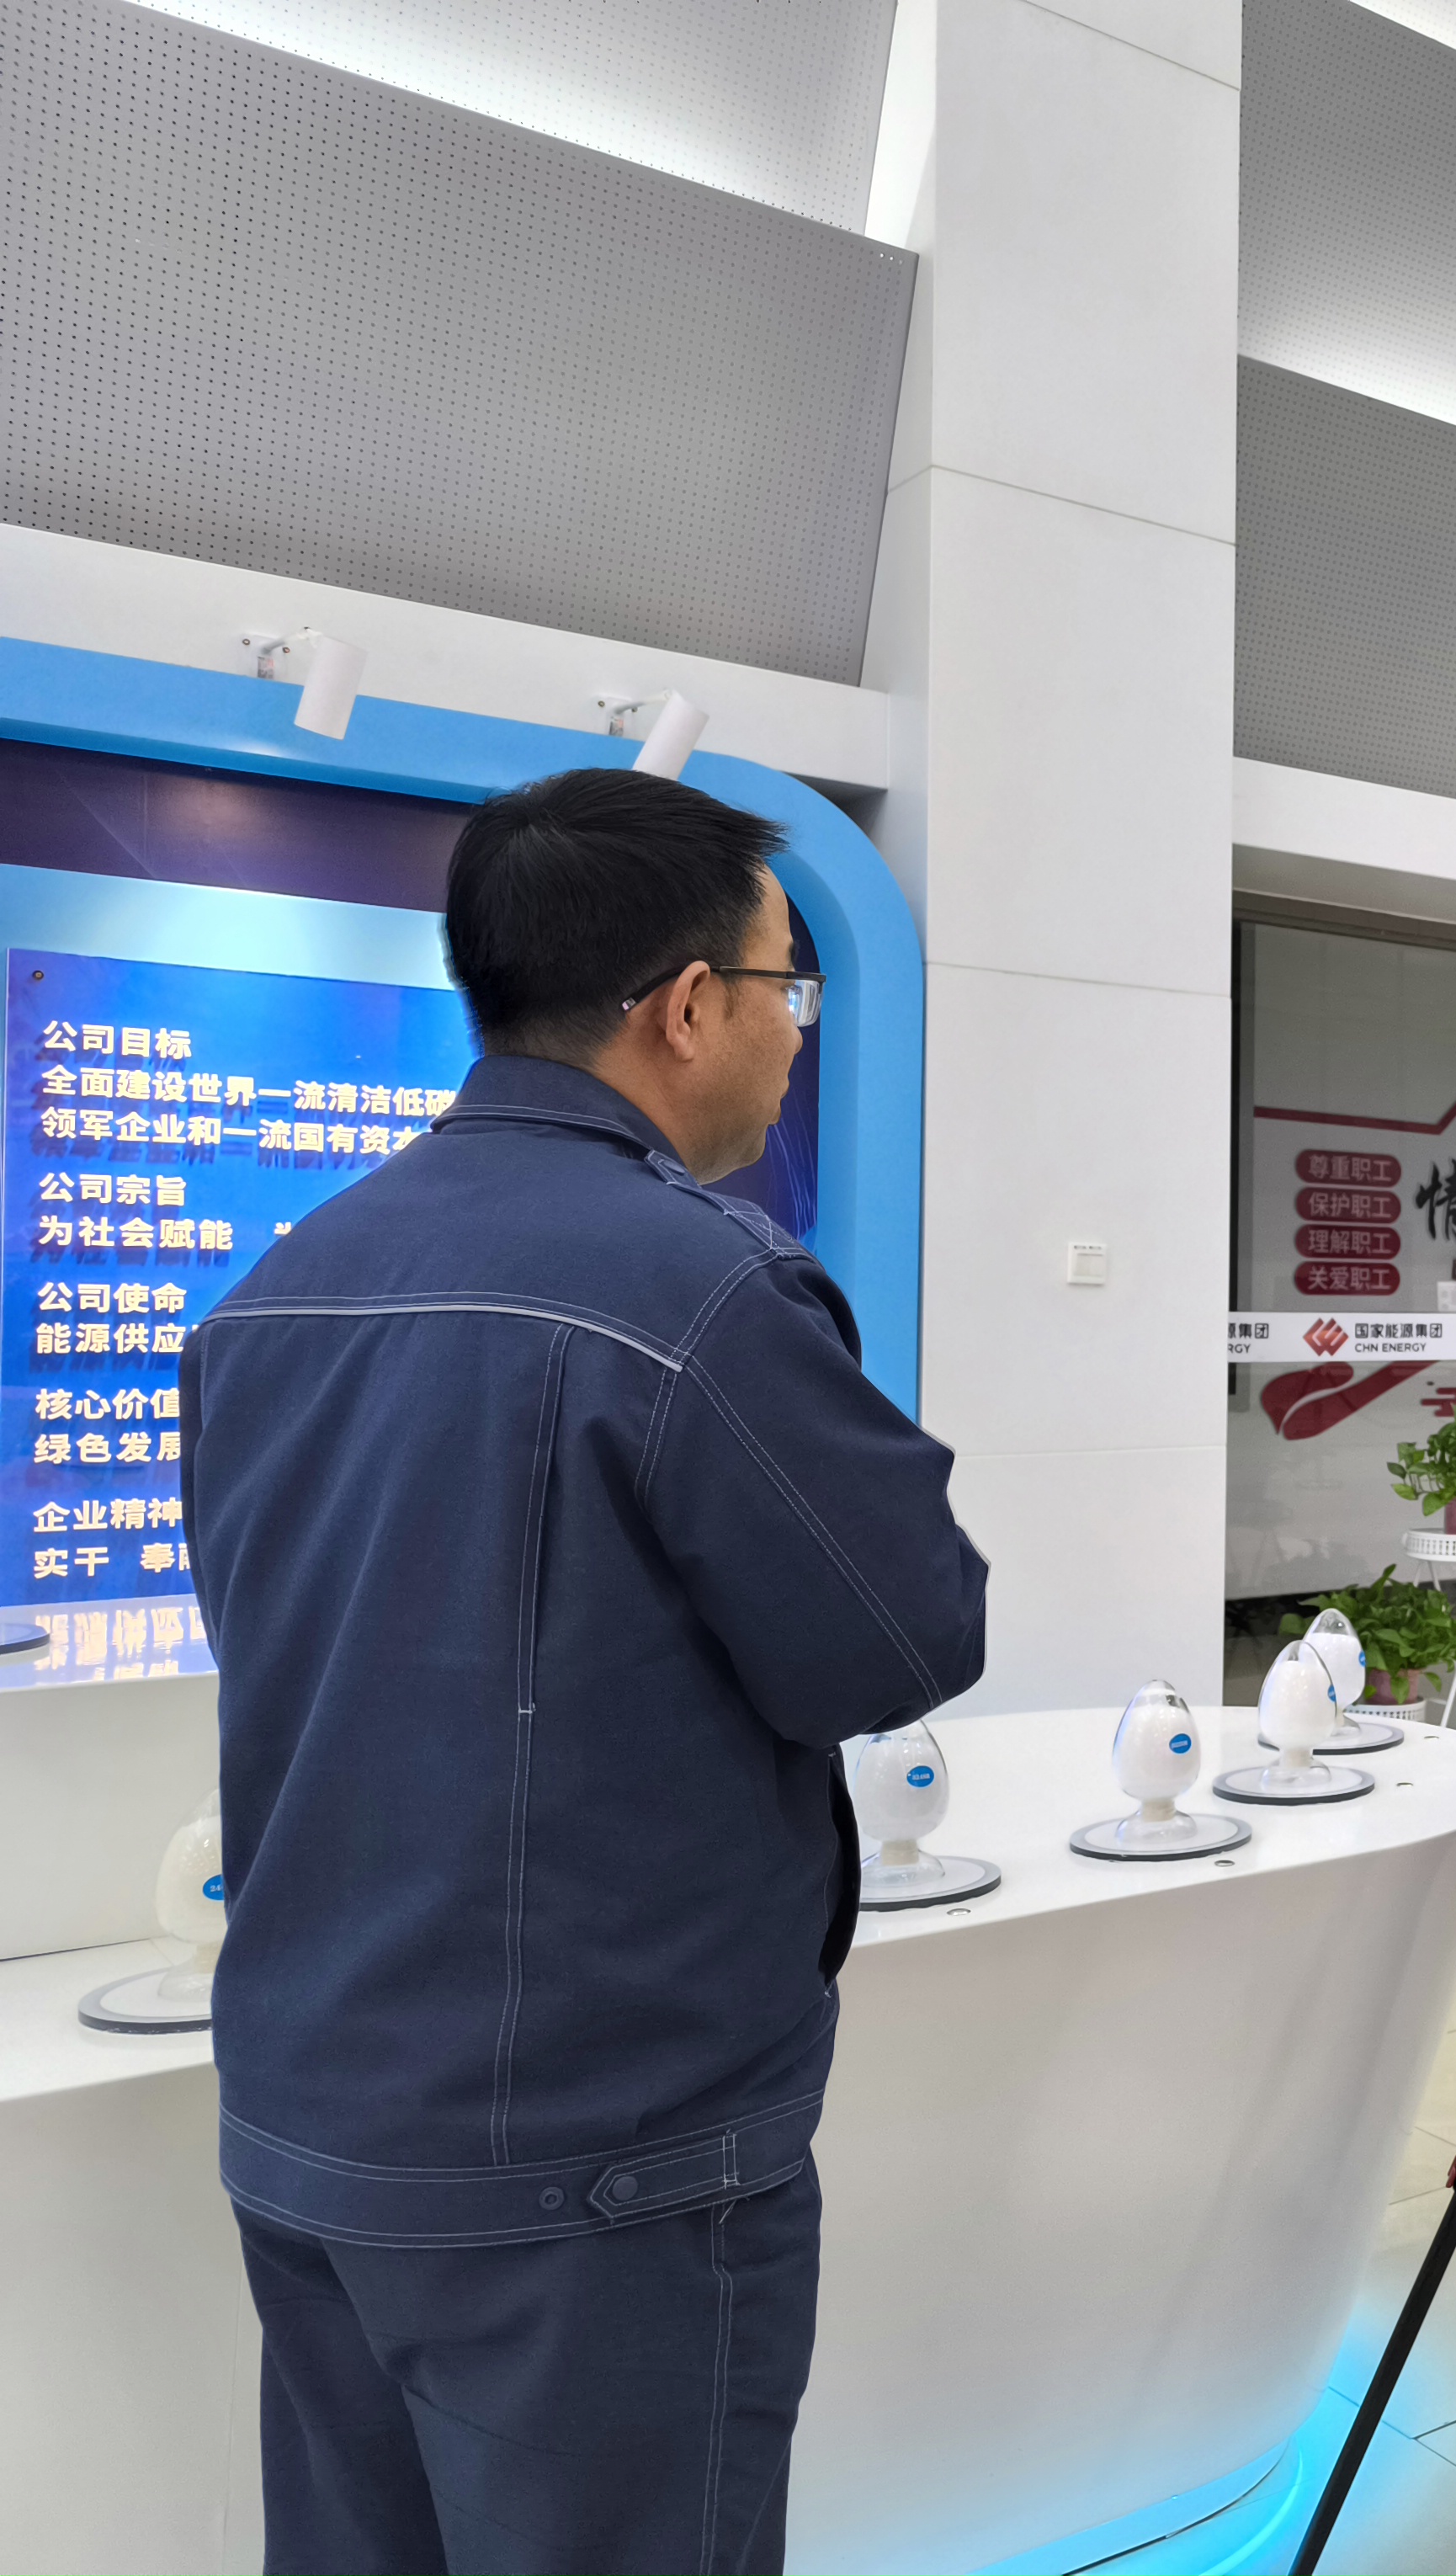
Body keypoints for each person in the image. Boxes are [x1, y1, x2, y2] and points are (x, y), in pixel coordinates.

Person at [185, 767, 989, 2576]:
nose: (793, 1036)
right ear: (687, 1005)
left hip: (314, 2120)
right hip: (595, 2162)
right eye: (787, 990)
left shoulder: (275, 1294)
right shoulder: (701, 1292)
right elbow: (904, 1636)